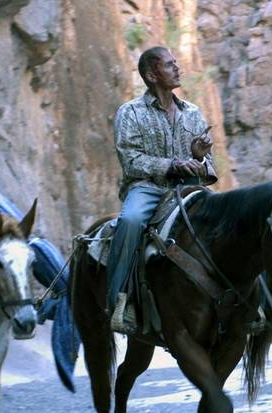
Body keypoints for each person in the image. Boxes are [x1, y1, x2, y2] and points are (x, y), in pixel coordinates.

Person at [107, 46, 217, 330]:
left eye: (176, 63)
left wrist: (199, 156)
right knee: (130, 221)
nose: (177, 68)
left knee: (225, 220)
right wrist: (173, 165)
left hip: (189, 190)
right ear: (151, 74)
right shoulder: (129, 112)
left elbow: (208, 167)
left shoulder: (193, 113)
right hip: (147, 188)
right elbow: (131, 160)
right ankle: (120, 301)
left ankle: (244, 299)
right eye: (169, 65)